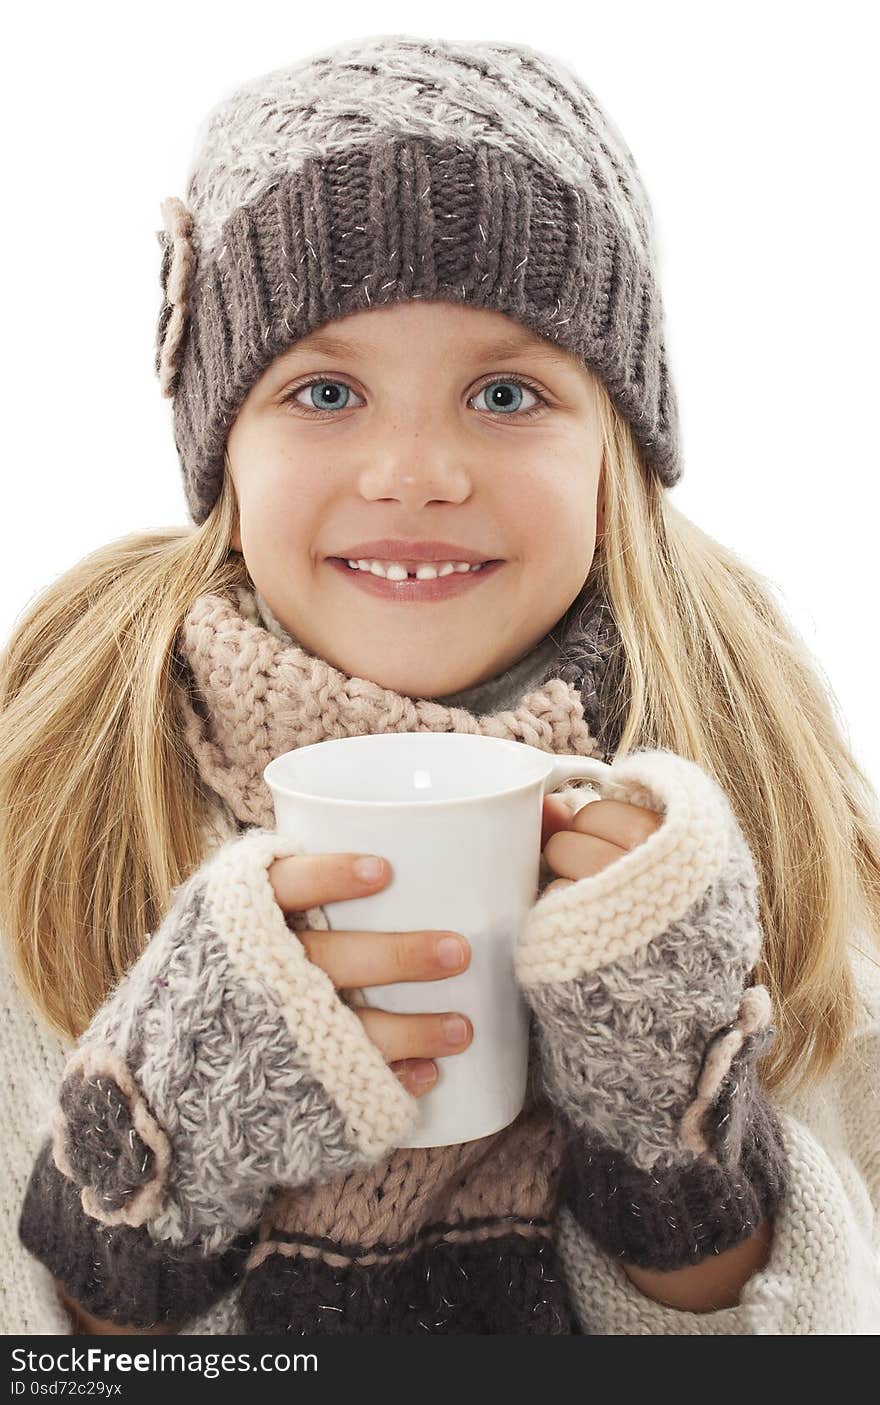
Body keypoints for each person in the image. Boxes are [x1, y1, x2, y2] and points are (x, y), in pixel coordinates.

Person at [2, 33, 879, 1337]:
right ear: (222, 457)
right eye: (328, 388)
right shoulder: (57, 796)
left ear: (616, 455)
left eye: (508, 389)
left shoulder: (754, 798)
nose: (416, 471)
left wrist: (679, 1165)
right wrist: (138, 1197)